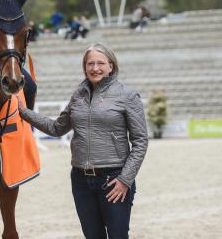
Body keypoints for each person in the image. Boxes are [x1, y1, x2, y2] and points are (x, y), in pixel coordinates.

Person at [17, 43, 148, 239]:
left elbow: (140, 142)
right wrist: (24, 112)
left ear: (111, 66)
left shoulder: (127, 96)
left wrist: (124, 180)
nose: (95, 68)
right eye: (90, 63)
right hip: (80, 180)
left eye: (101, 63)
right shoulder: (78, 95)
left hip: (113, 179)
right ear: (84, 67)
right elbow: (57, 128)